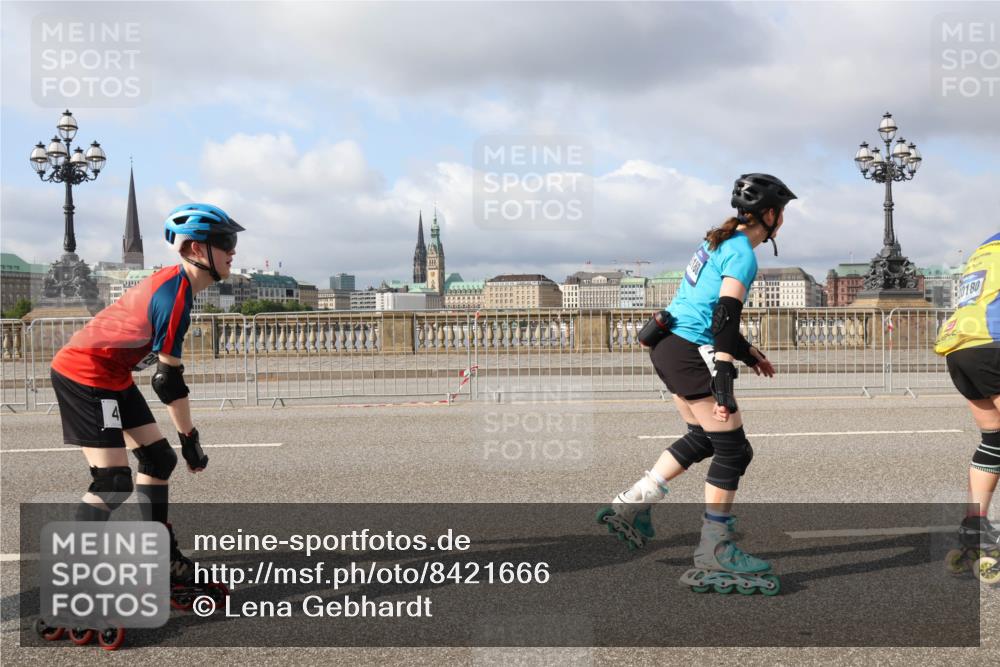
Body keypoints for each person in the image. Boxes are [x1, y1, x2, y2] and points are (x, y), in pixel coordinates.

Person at [597, 173, 796, 595]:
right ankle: (715, 548)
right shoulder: (742, 252)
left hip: (667, 345)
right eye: (784, 215)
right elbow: (724, 315)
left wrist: (748, 353)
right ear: (772, 215)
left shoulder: (715, 242)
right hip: (690, 352)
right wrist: (725, 371)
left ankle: (633, 502)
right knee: (734, 449)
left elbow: (703, 308)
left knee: (702, 437)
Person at [50, 202, 243, 587]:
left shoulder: (179, 286)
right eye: (224, 242)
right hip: (84, 373)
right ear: (194, 250)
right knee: (113, 481)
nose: (233, 251)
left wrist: (184, 442)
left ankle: (159, 558)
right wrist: (190, 439)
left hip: (112, 374)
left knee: (158, 459)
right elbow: (166, 382)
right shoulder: (173, 296)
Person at [934, 232, 1000, 582]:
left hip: (962, 348)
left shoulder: (986, 248)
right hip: (996, 343)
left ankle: (975, 530)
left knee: (994, 442)